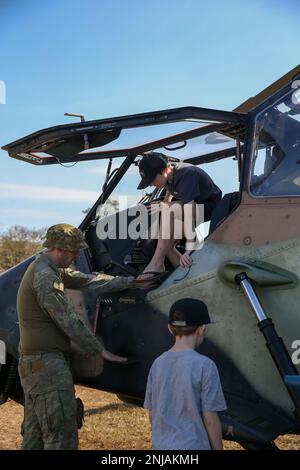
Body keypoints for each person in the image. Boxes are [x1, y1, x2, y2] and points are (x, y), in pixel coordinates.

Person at [17, 223, 136, 450]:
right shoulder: (44, 276)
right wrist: (99, 349)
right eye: (74, 251)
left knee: (36, 437)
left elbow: (88, 280)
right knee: (60, 436)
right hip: (47, 368)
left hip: (37, 367)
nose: (77, 256)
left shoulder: (49, 268)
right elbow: (67, 319)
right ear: (60, 249)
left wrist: (130, 282)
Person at [143, 298, 226, 450]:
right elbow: (211, 419)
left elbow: (152, 413)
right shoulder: (205, 366)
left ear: (170, 328)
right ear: (202, 329)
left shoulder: (157, 364)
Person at [137, 152, 222, 281]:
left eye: (152, 180)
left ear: (165, 170)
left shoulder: (186, 174)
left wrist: (189, 249)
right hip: (193, 206)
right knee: (168, 247)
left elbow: (190, 215)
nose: (150, 184)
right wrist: (165, 202)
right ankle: (188, 278)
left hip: (209, 207)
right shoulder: (168, 174)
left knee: (167, 210)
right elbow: (170, 190)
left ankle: (156, 263)